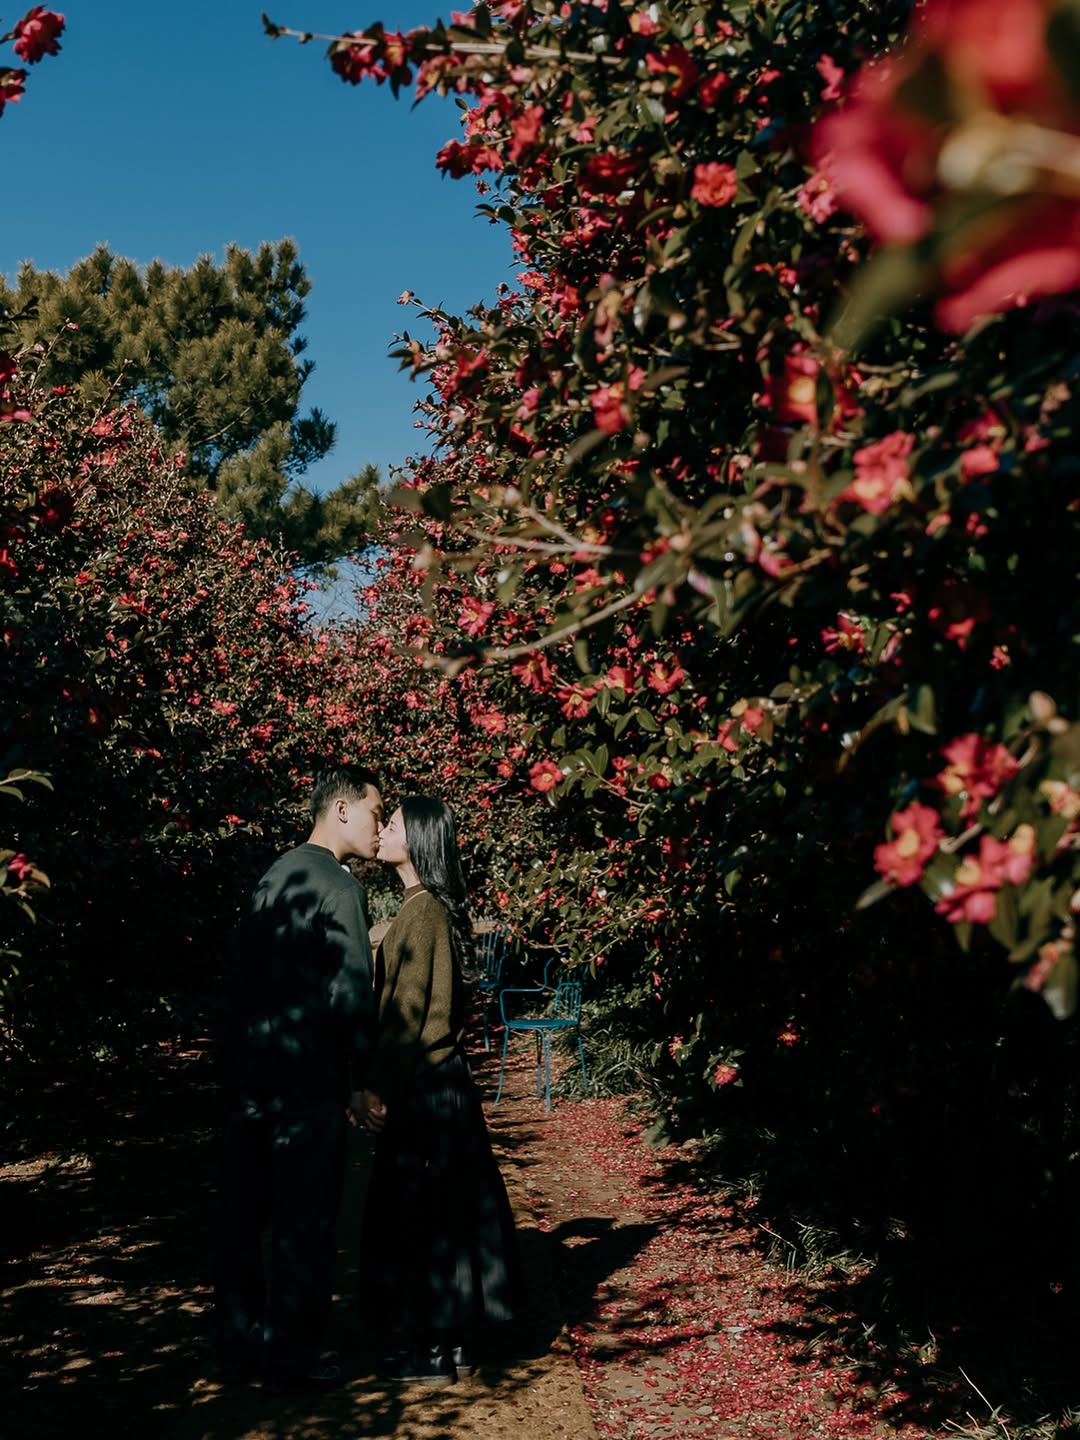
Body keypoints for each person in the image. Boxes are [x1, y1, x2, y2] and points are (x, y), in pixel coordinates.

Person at [214, 766, 383, 1391]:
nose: (378, 824)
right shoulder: (337, 885)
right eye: (374, 811)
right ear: (341, 811)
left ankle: (239, 1349)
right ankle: (292, 1361)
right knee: (304, 1222)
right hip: (305, 1081)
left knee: (242, 1219)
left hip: (250, 1078)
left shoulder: (274, 874)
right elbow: (349, 989)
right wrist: (361, 1078)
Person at [356, 795, 520, 1386]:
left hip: (424, 1086)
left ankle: (430, 1350)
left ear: (419, 840)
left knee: (418, 1215)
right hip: (440, 1085)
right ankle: (444, 1346)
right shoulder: (428, 907)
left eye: (393, 825)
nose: (382, 831)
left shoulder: (421, 911)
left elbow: (407, 1013)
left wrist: (377, 1089)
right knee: (440, 1212)